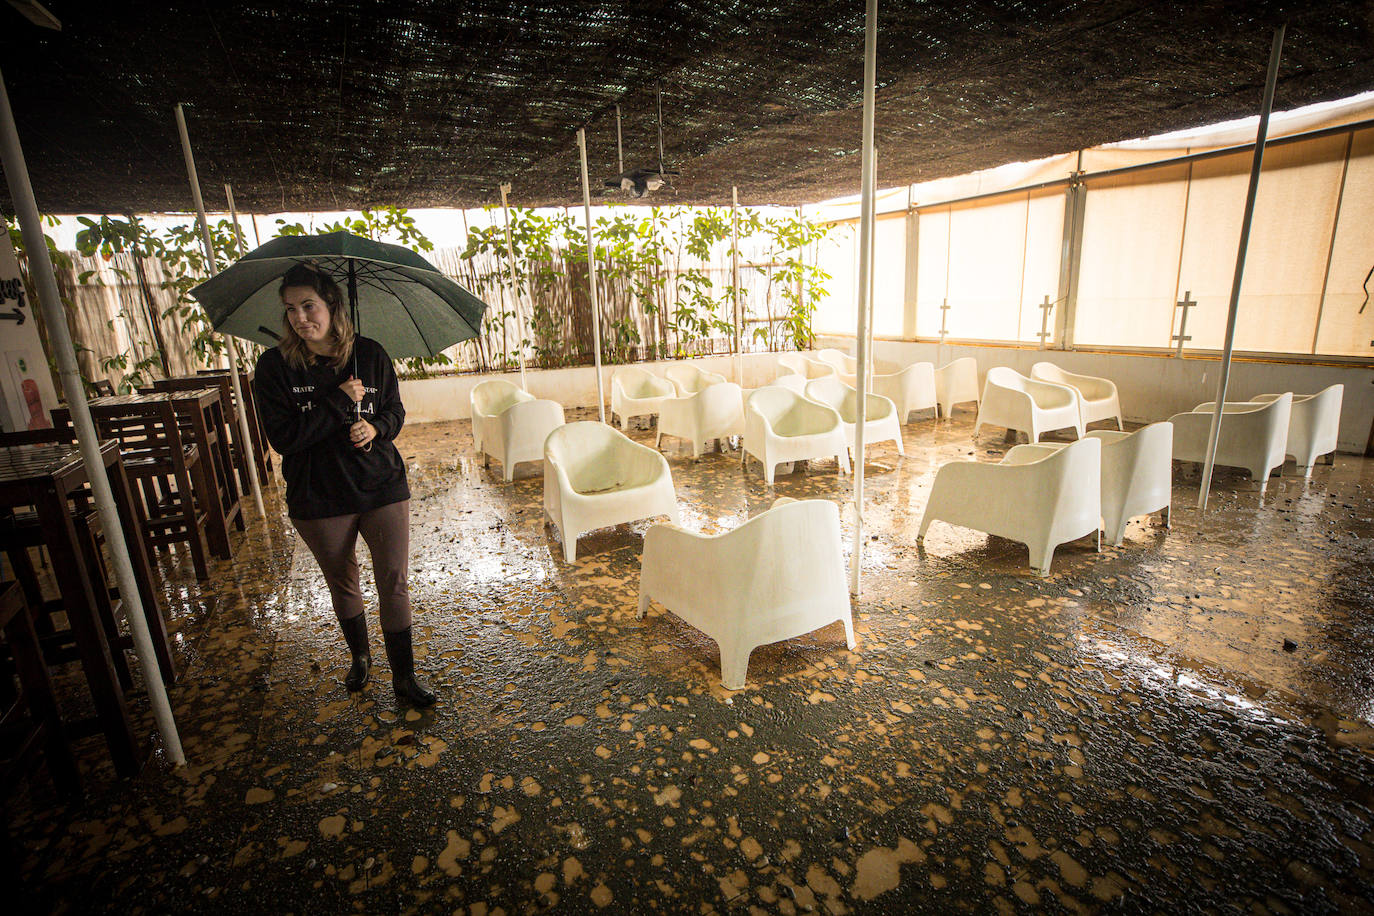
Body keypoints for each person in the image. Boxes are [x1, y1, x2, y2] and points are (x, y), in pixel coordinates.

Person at [253, 262, 435, 707]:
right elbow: (286, 439)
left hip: (380, 485)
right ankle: (360, 656)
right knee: (343, 582)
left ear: (333, 305)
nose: (300, 317)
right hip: (318, 495)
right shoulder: (275, 366)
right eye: (291, 309)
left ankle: (404, 678)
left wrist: (376, 428)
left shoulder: (370, 354)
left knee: (394, 581)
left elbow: (395, 410)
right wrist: (338, 400)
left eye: (309, 305)